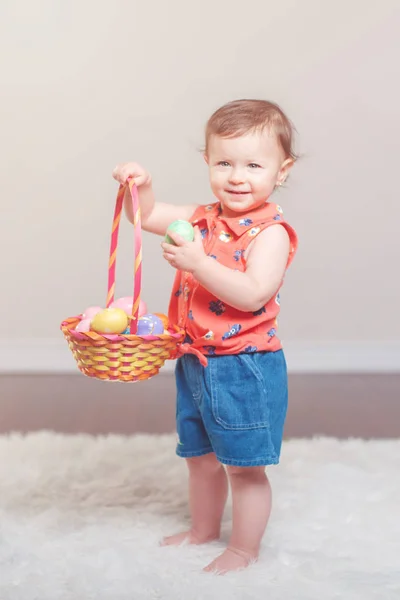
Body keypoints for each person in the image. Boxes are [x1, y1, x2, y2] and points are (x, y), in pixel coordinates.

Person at [112, 99, 298, 574]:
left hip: (243, 365)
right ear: (208, 163)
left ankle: (243, 549)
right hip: (194, 359)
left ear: (282, 171)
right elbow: (145, 216)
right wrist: (143, 187)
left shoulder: (270, 233)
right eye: (225, 163)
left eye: (254, 165)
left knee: (244, 466)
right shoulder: (202, 217)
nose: (238, 176)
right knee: (199, 457)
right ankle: (203, 531)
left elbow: (254, 294)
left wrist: (199, 263)